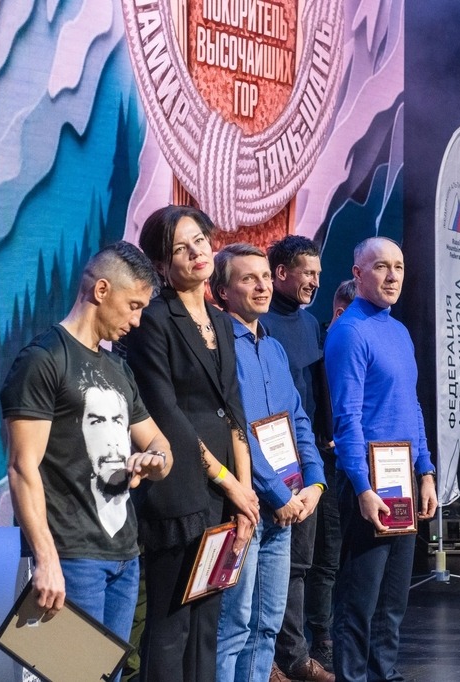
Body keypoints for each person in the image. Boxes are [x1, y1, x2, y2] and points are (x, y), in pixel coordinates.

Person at [1, 241, 173, 679]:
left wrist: (154, 460)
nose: (137, 320)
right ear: (101, 290)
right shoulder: (44, 359)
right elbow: (22, 467)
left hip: (123, 554)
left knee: (107, 676)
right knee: (72, 676)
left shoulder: (118, 369)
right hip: (71, 557)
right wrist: (46, 560)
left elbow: (160, 443)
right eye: (133, 306)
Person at [120, 206, 259, 682]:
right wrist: (227, 481)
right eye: (181, 248)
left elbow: (233, 406)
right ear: (162, 264)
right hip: (178, 488)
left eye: (199, 240)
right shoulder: (154, 319)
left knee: (207, 624)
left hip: (224, 493)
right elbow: (166, 415)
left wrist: (244, 490)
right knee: (171, 623)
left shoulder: (222, 321)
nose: (197, 252)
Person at [209, 243, 328, 682]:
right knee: (233, 627)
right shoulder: (218, 348)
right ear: (222, 291)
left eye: (264, 277)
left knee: (266, 627)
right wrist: (278, 494)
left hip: (287, 507)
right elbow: (233, 428)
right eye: (248, 279)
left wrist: (314, 482)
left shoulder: (273, 348)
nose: (262, 286)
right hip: (247, 508)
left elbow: (299, 419)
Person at [324, 237, 438, 682]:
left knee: (393, 598)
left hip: (403, 475)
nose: (392, 276)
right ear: (358, 274)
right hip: (367, 480)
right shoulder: (349, 332)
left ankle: (383, 674)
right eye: (381, 267)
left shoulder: (399, 331)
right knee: (359, 596)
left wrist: (425, 471)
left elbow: (411, 407)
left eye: (399, 266)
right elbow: (347, 418)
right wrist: (362, 487)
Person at [259, 235, 334, 681]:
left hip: (303, 462)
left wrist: (322, 444)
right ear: (281, 273)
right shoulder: (259, 324)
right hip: (265, 464)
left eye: (319, 274)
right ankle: (263, 658)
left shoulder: (310, 324)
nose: (315, 282)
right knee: (266, 564)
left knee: (299, 565)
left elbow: (314, 393)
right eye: (308, 273)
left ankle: (293, 656)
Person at [302, 277, 355, 673]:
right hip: (324, 462)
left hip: (356, 461)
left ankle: (340, 632)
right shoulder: (321, 348)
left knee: (345, 555)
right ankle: (321, 637)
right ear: (340, 313)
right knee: (326, 556)